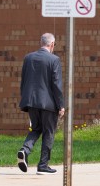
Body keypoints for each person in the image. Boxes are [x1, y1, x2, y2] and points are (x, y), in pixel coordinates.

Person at [17, 33, 65, 175]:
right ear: (51, 44)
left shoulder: (28, 58)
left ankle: (24, 150)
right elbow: (56, 84)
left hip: (31, 102)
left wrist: (25, 99)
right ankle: (43, 165)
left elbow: (23, 81)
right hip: (48, 104)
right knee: (49, 132)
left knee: (36, 129)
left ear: (42, 42)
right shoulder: (54, 59)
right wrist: (61, 105)